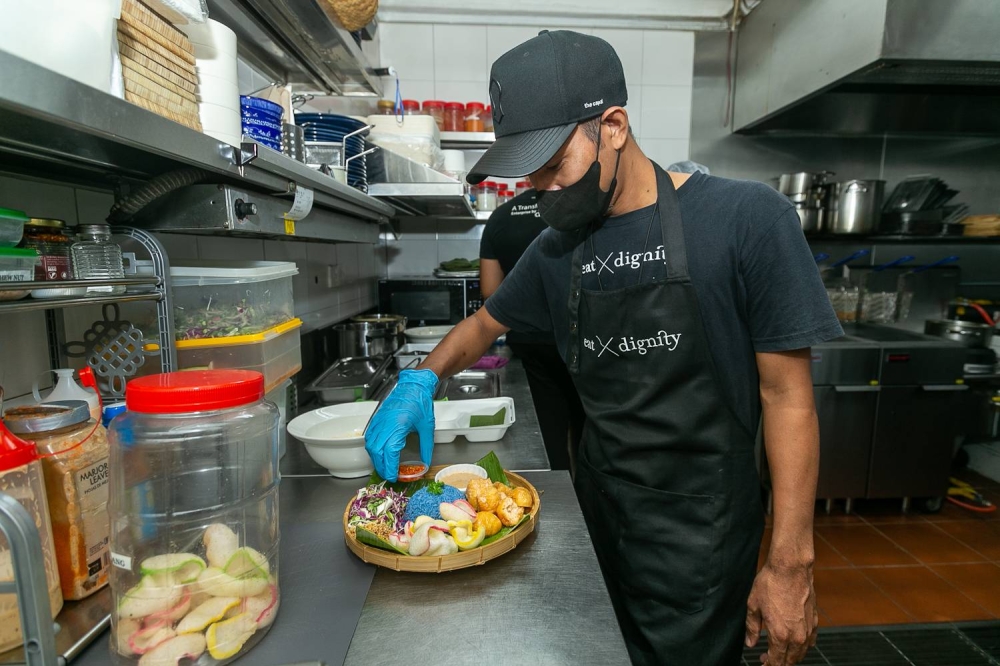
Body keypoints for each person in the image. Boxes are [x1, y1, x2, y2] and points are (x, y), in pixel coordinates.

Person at [364, 30, 842, 666]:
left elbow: (787, 399)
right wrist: (419, 382)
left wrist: (790, 564)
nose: (539, 190)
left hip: (698, 532)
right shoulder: (558, 247)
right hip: (597, 517)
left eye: (553, 165)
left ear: (613, 126)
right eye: (527, 174)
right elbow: (483, 326)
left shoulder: (746, 220)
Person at [479, 190, 585, 472]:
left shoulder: (500, 217)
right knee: (585, 428)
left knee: (547, 430)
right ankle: (584, 504)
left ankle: (556, 495)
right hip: (580, 340)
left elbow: (490, 292)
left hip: (529, 346)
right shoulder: (575, 208)